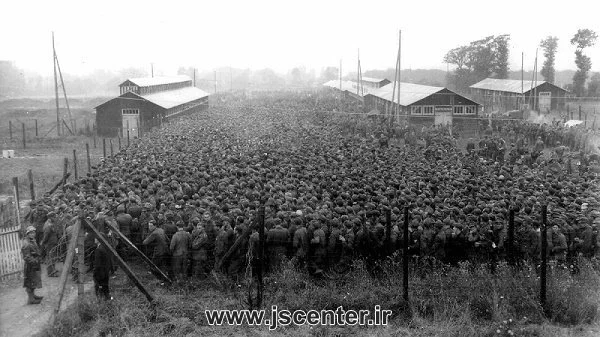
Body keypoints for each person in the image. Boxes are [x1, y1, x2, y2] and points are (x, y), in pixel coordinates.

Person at [22, 226, 43, 305]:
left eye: (33, 232)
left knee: (34, 281)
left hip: (35, 264)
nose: (32, 234)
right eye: (30, 233)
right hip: (30, 266)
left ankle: (33, 296)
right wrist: (34, 261)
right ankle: (31, 299)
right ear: (27, 234)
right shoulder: (26, 243)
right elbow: (26, 257)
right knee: (29, 282)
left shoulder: (32, 240)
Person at [93, 233, 113, 301]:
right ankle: (107, 298)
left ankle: (100, 300)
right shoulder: (105, 247)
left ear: (99, 239)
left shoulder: (98, 250)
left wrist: (95, 273)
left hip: (100, 273)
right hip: (105, 271)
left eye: (96, 238)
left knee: (99, 286)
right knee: (105, 286)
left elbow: (97, 263)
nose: (94, 239)